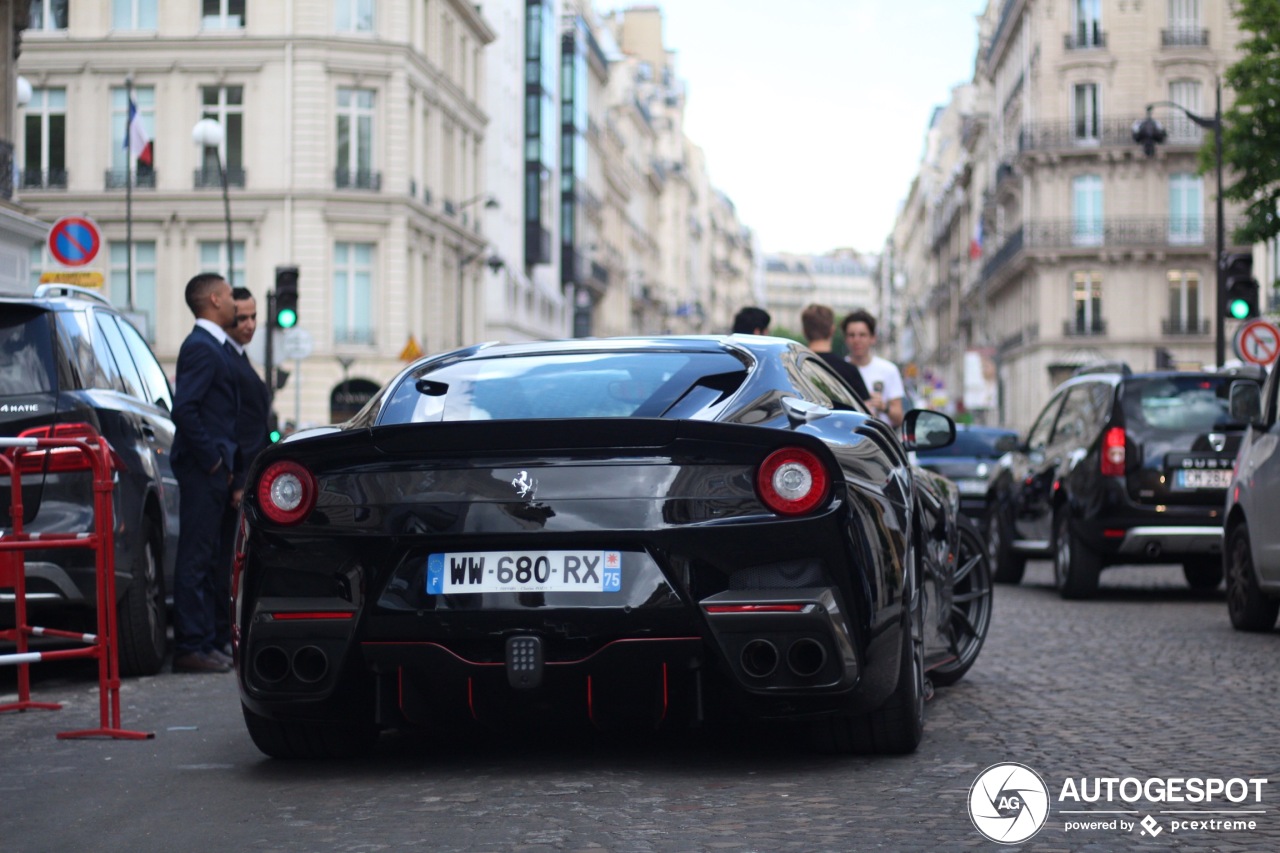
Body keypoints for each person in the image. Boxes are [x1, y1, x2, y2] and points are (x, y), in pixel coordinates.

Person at [170, 273, 240, 674]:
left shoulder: (212, 346)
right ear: (214, 299)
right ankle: (190, 645)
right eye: (230, 296)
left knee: (209, 555)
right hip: (203, 469)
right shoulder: (200, 347)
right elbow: (186, 409)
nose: (233, 302)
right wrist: (214, 460)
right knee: (195, 558)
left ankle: (206, 642)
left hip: (212, 468)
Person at [213, 286, 272, 659]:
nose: (249, 324)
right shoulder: (226, 360)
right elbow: (233, 424)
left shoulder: (239, 358)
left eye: (254, 317)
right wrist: (238, 478)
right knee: (223, 559)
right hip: (239, 475)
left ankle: (225, 634)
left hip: (249, 473)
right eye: (242, 318)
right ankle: (221, 634)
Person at [842, 308, 905, 428]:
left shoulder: (889, 370)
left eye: (862, 335)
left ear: (873, 338)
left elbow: (899, 418)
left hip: (880, 440)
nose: (856, 340)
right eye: (851, 335)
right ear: (846, 339)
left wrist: (883, 406)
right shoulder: (838, 369)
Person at [800, 303, 870, 402]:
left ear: (804, 332)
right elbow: (866, 411)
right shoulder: (850, 371)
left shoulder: (793, 368)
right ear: (832, 330)